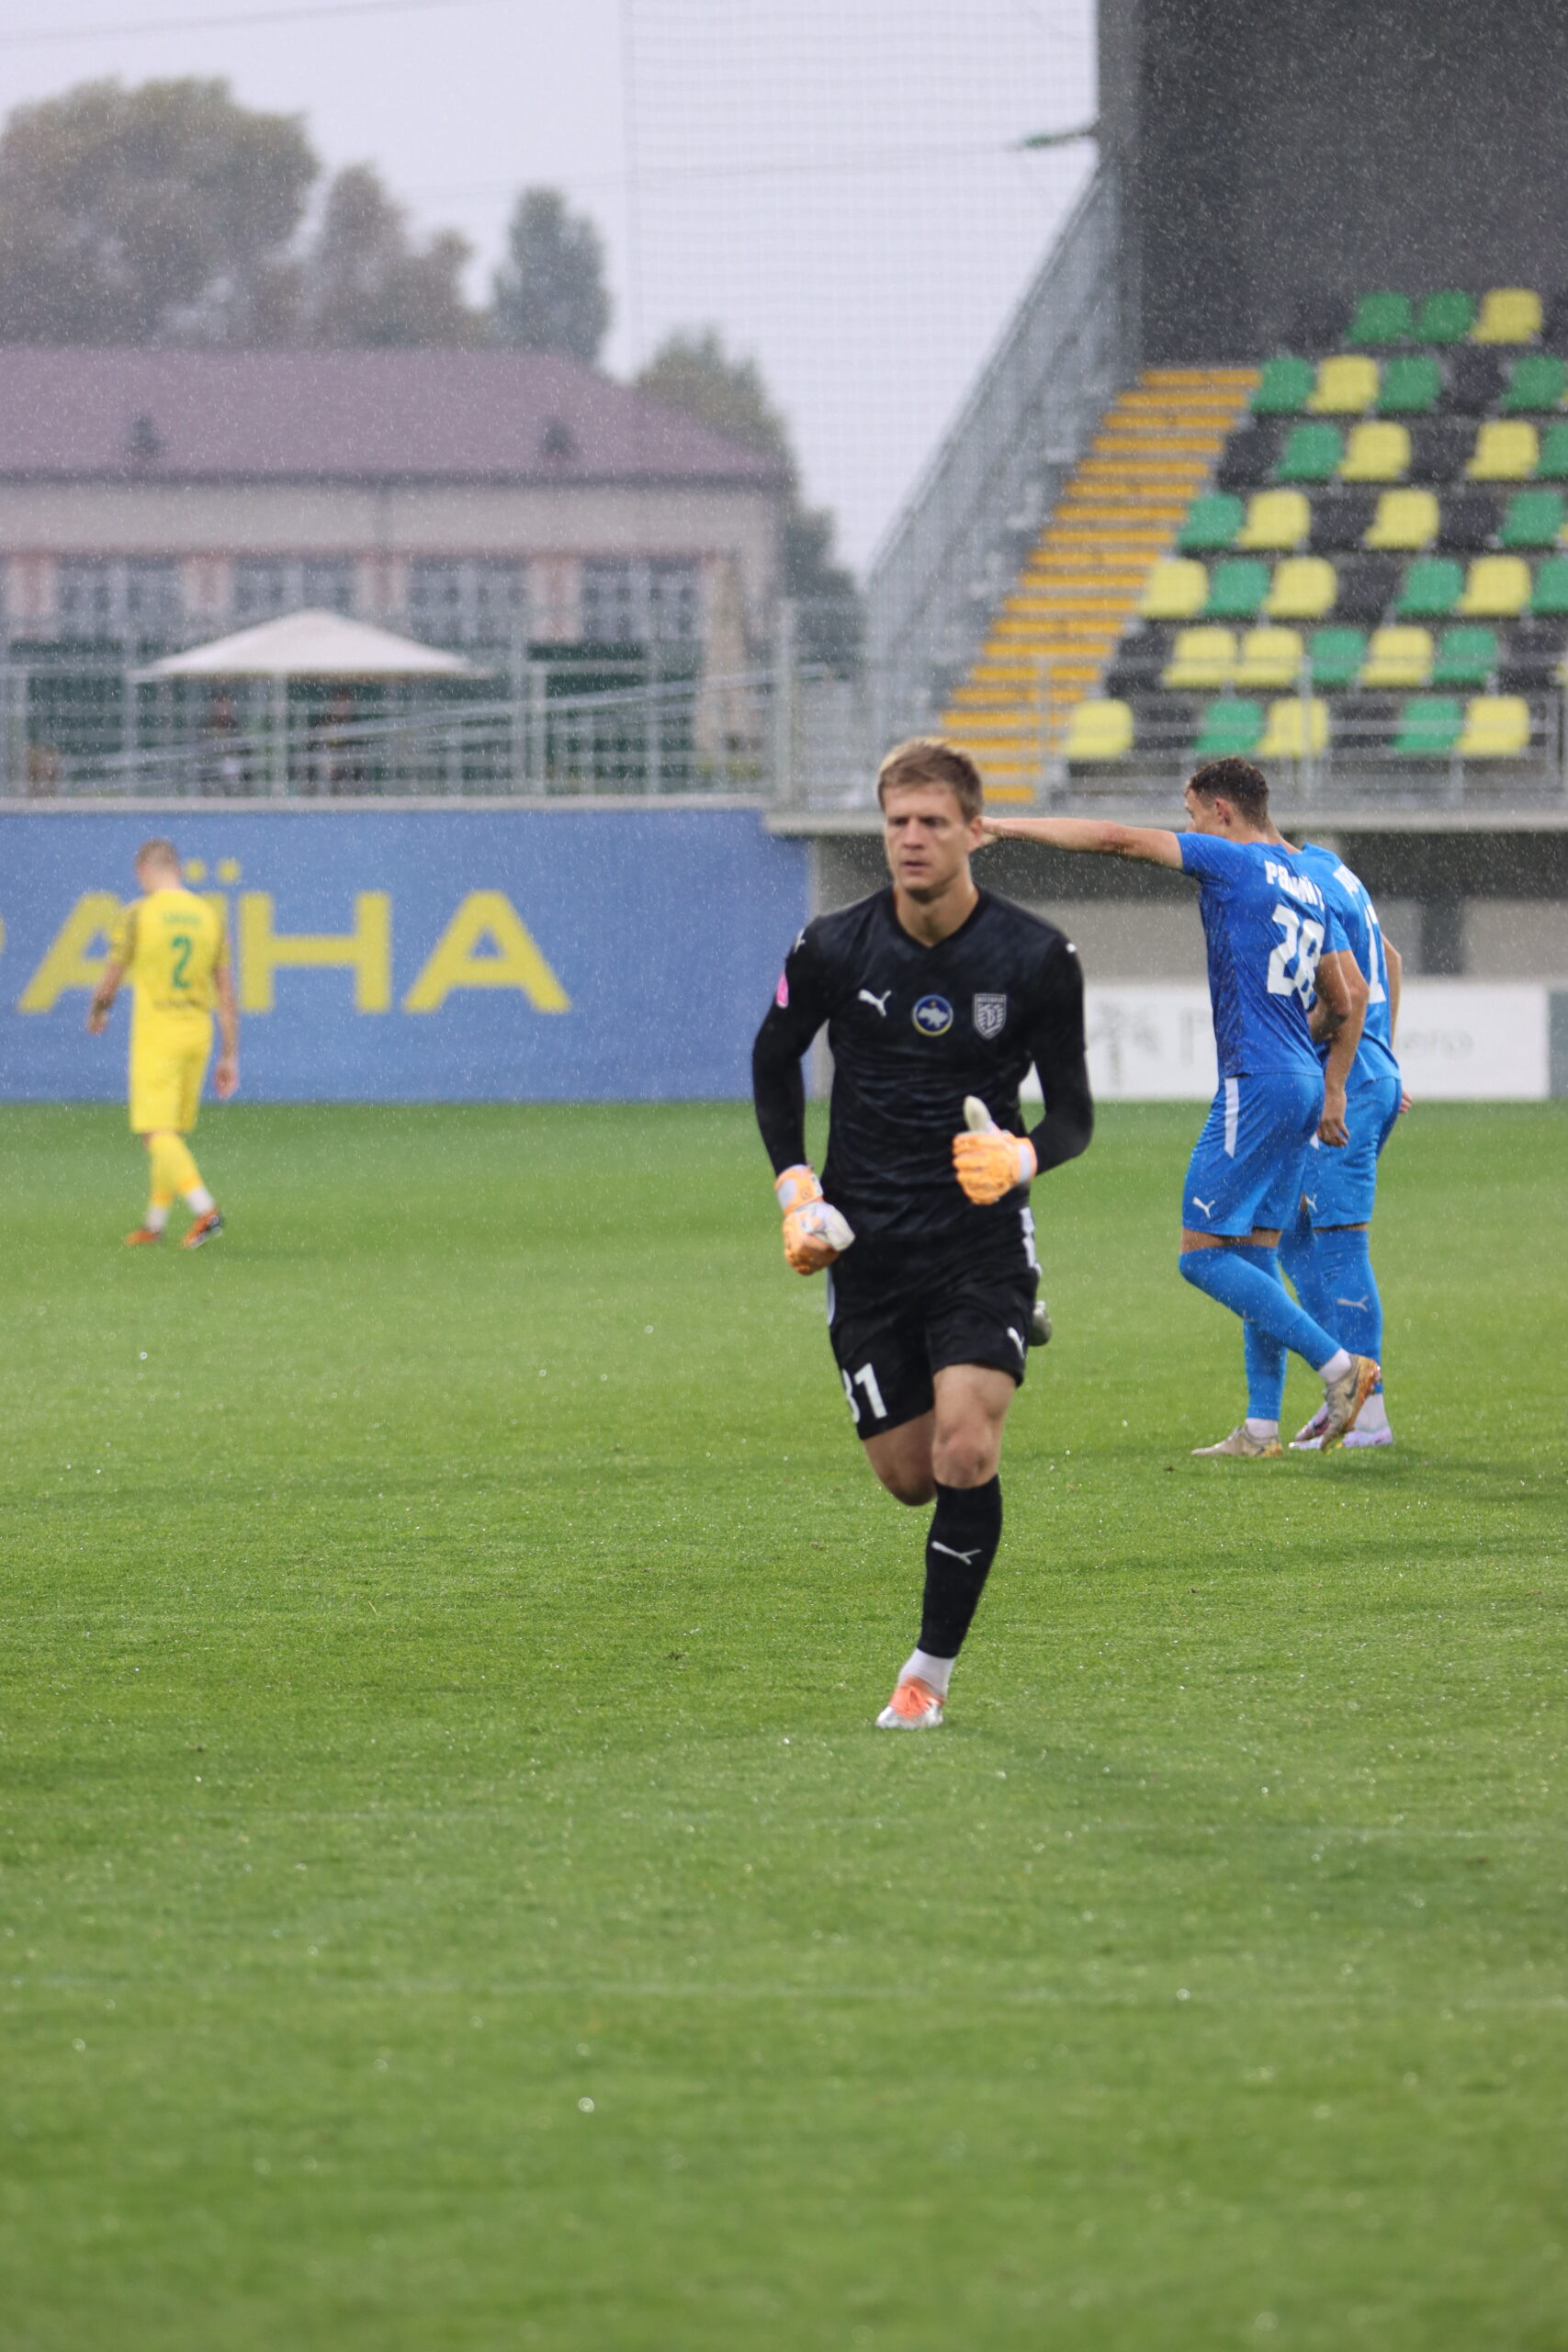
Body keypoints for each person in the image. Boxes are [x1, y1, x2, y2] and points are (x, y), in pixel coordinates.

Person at [751, 737, 1093, 1729]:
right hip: (866, 1247)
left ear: (975, 830)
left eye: (933, 821)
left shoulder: (1036, 956)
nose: (911, 838)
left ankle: (926, 1676)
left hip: (978, 1241)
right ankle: (990, 1343)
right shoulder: (834, 946)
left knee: (965, 1451)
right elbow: (774, 1060)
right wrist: (796, 1189)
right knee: (908, 1479)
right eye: (897, 820)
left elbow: (1072, 1113)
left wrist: (1024, 1158)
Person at [984, 755, 1380, 1456]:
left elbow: (1112, 838)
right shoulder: (1310, 887)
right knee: (1253, 1250)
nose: (1186, 825)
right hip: (1299, 1080)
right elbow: (1344, 1001)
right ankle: (1260, 1429)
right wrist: (1310, 1062)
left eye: (1191, 812)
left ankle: (1341, 1369)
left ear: (1221, 812)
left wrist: (1007, 828)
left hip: (1254, 1080)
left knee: (1199, 1256)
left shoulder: (1225, 860)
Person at [1278, 842, 1405, 1451]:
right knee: (1290, 1230)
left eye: (1197, 818)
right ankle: (1343, 1392)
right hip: (1367, 1073)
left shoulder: (1299, 883)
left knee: (1337, 1244)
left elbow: (1343, 997)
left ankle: (1369, 1415)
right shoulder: (1330, 866)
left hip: (1346, 1083)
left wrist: (1337, 1072)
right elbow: (1391, 959)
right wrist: (1383, 1056)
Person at [85, 838, 238, 1248]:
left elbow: (113, 973)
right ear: (179, 870)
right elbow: (226, 993)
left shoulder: (139, 914)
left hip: (159, 1034)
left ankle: (205, 1210)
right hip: (198, 1034)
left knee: (154, 1132)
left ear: (143, 872)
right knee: (170, 1134)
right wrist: (229, 1054)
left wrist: (100, 1009)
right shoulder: (209, 917)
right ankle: (154, 1224)